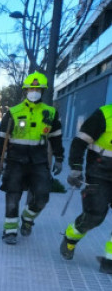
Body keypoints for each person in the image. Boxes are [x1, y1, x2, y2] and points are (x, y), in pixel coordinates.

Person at [0, 71, 64, 245]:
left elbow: (56, 138)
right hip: (15, 160)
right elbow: (2, 138)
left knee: (42, 196)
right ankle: (10, 231)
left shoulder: (50, 113)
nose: (34, 91)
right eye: (31, 88)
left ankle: (27, 218)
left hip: (39, 161)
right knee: (12, 196)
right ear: (25, 91)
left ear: (43, 90)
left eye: (37, 88)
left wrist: (59, 158)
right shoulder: (14, 112)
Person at [60, 104, 112, 273]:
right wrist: (75, 167)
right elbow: (79, 142)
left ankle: (109, 261)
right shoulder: (104, 115)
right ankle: (70, 238)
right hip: (99, 173)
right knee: (95, 216)